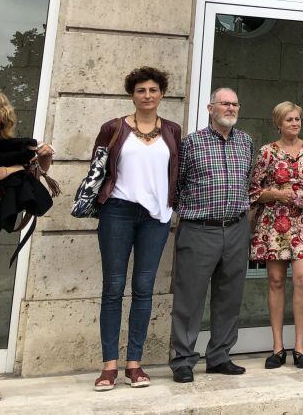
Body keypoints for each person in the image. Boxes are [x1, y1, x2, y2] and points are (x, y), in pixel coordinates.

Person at [93, 67, 181, 391]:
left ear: (161, 94)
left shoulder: (172, 130)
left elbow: (176, 171)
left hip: (156, 217)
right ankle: (108, 366)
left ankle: (134, 363)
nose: (147, 95)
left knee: (144, 289)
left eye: (153, 90)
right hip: (117, 211)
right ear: (132, 94)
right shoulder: (113, 128)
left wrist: (172, 205)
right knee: (113, 288)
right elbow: (97, 170)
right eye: (141, 90)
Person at [0, 89, 53, 403]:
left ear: (0, 121)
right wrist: (11, 170)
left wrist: (43, 156)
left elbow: (37, 173)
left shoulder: (1, 151)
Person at [170, 88, 254, 382]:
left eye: (234, 103)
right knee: (189, 298)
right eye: (224, 103)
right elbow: (176, 185)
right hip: (199, 229)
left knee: (229, 297)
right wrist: (192, 212)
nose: (230, 108)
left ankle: (219, 355)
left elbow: (247, 182)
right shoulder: (191, 143)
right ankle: (182, 359)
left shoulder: (245, 142)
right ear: (210, 108)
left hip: (235, 228)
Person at [249, 101, 303, 370]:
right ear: (278, 122)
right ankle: (277, 347)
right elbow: (254, 191)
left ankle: (300, 347)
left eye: (297, 119)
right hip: (272, 223)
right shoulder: (267, 152)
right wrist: (278, 194)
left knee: (302, 280)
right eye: (289, 119)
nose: (294, 123)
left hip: (302, 223)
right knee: (276, 281)